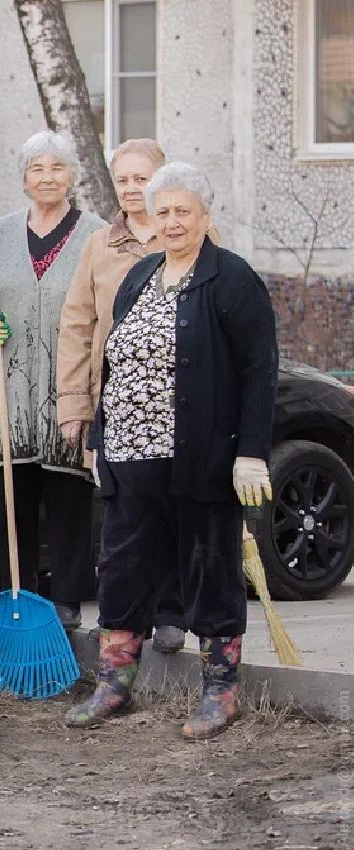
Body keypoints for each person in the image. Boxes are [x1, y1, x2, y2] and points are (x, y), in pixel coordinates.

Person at [65, 161, 276, 741]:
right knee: (124, 568)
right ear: (150, 220)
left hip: (202, 457)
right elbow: (116, 361)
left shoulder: (231, 280)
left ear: (205, 216)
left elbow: (260, 372)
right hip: (130, 455)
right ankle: (114, 683)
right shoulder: (141, 276)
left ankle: (221, 691)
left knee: (210, 568)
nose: (173, 221)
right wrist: (102, 438)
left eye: (184, 210)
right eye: (163, 212)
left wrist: (250, 452)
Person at [56, 137, 189, 653]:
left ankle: (173, 613)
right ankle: (127, 622)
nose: (133, 189)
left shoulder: (183, 232)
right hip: (117, 401)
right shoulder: (99, 244)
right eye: (124, 180)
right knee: (124, 519)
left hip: (177, 400)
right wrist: (75, 405)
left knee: (174, 510)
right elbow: (77, 324)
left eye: (143, 178)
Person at [0, 131, 107, 628]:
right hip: (9, 384)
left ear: (73, 175)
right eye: (37, 169)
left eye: (57, 168)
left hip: (68, 382)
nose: (47, 178)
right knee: (15, 495)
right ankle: (20, 594)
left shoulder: (95, 233)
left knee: (68, 493)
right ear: (24, 178)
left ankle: (69, 599)